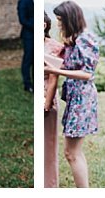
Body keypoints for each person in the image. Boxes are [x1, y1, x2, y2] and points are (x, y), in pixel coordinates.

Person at [44, 0, 99, 188]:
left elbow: (87, 73)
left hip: (82, 98)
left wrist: (57, 71)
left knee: (72, 153)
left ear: (70, 19)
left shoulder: (86, 39)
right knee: (72, 153)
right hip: (74, 98)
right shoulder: (73, 40)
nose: (58, 24)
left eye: (60, 20)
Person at [42, 12, 64, 188]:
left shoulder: (56, 47)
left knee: (48, 146)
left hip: (48, 95)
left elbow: (54, 78)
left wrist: (47, 103)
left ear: (44, 25)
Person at [19, 0, 35, 92]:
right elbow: (23, 20)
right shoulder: (23, 2)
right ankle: (27, 84)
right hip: (29, 35)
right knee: (28, 60)